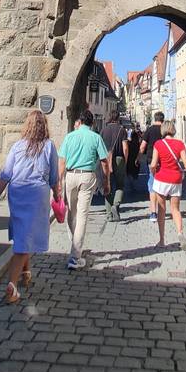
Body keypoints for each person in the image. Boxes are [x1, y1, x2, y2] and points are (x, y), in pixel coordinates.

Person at [0, 110, 60, 303]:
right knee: (25, 237)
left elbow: (6, 174)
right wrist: (58, 194)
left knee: (23, 230)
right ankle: (12, 286)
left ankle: (25, 271)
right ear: (44, 126)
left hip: (17, 192)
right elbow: (54, 176)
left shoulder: (17, 146)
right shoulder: (49, 146)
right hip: (37, 194)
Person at [58, 108, 110, 270]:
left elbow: (61, 161)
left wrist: (59, 181)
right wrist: (106, 181)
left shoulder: (70, 137)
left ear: (79, 121)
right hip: (87, 176)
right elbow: (104, 161)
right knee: (81, 215)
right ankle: (75, 255)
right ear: (92, 123)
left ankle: (75, 244)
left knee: (71, 212)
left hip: (70, 175)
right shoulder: (95, 137)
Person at [150, 120, 186, 250]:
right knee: (175, 209)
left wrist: (154, 172)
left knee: (162, 210)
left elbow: (153, 164)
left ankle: (162, 240)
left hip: (162, 178)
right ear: (173, 129)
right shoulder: (180, 144)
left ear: (163, 130)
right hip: (176, 178)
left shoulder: (158, 144)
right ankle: (180, 233)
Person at [101, 110, 128, 221]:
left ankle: (108, 214)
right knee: (120, 184)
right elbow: (125, 148)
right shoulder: (122, 130)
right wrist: (125, 161)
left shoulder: (103, 130)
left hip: (106, 159)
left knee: (107, 185)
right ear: (118, 118)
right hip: (119, 159)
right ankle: (116, 205)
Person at [140, 111, 164, 222]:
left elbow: (143, 146)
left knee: (152, 185)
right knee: (162, 186)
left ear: (155, 119)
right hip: (164, 161)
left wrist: (138, 157)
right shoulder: (165, 131)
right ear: (162, 120)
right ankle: (161, 211)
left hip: (151, 161)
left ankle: (153, 212)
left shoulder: (149, 130)